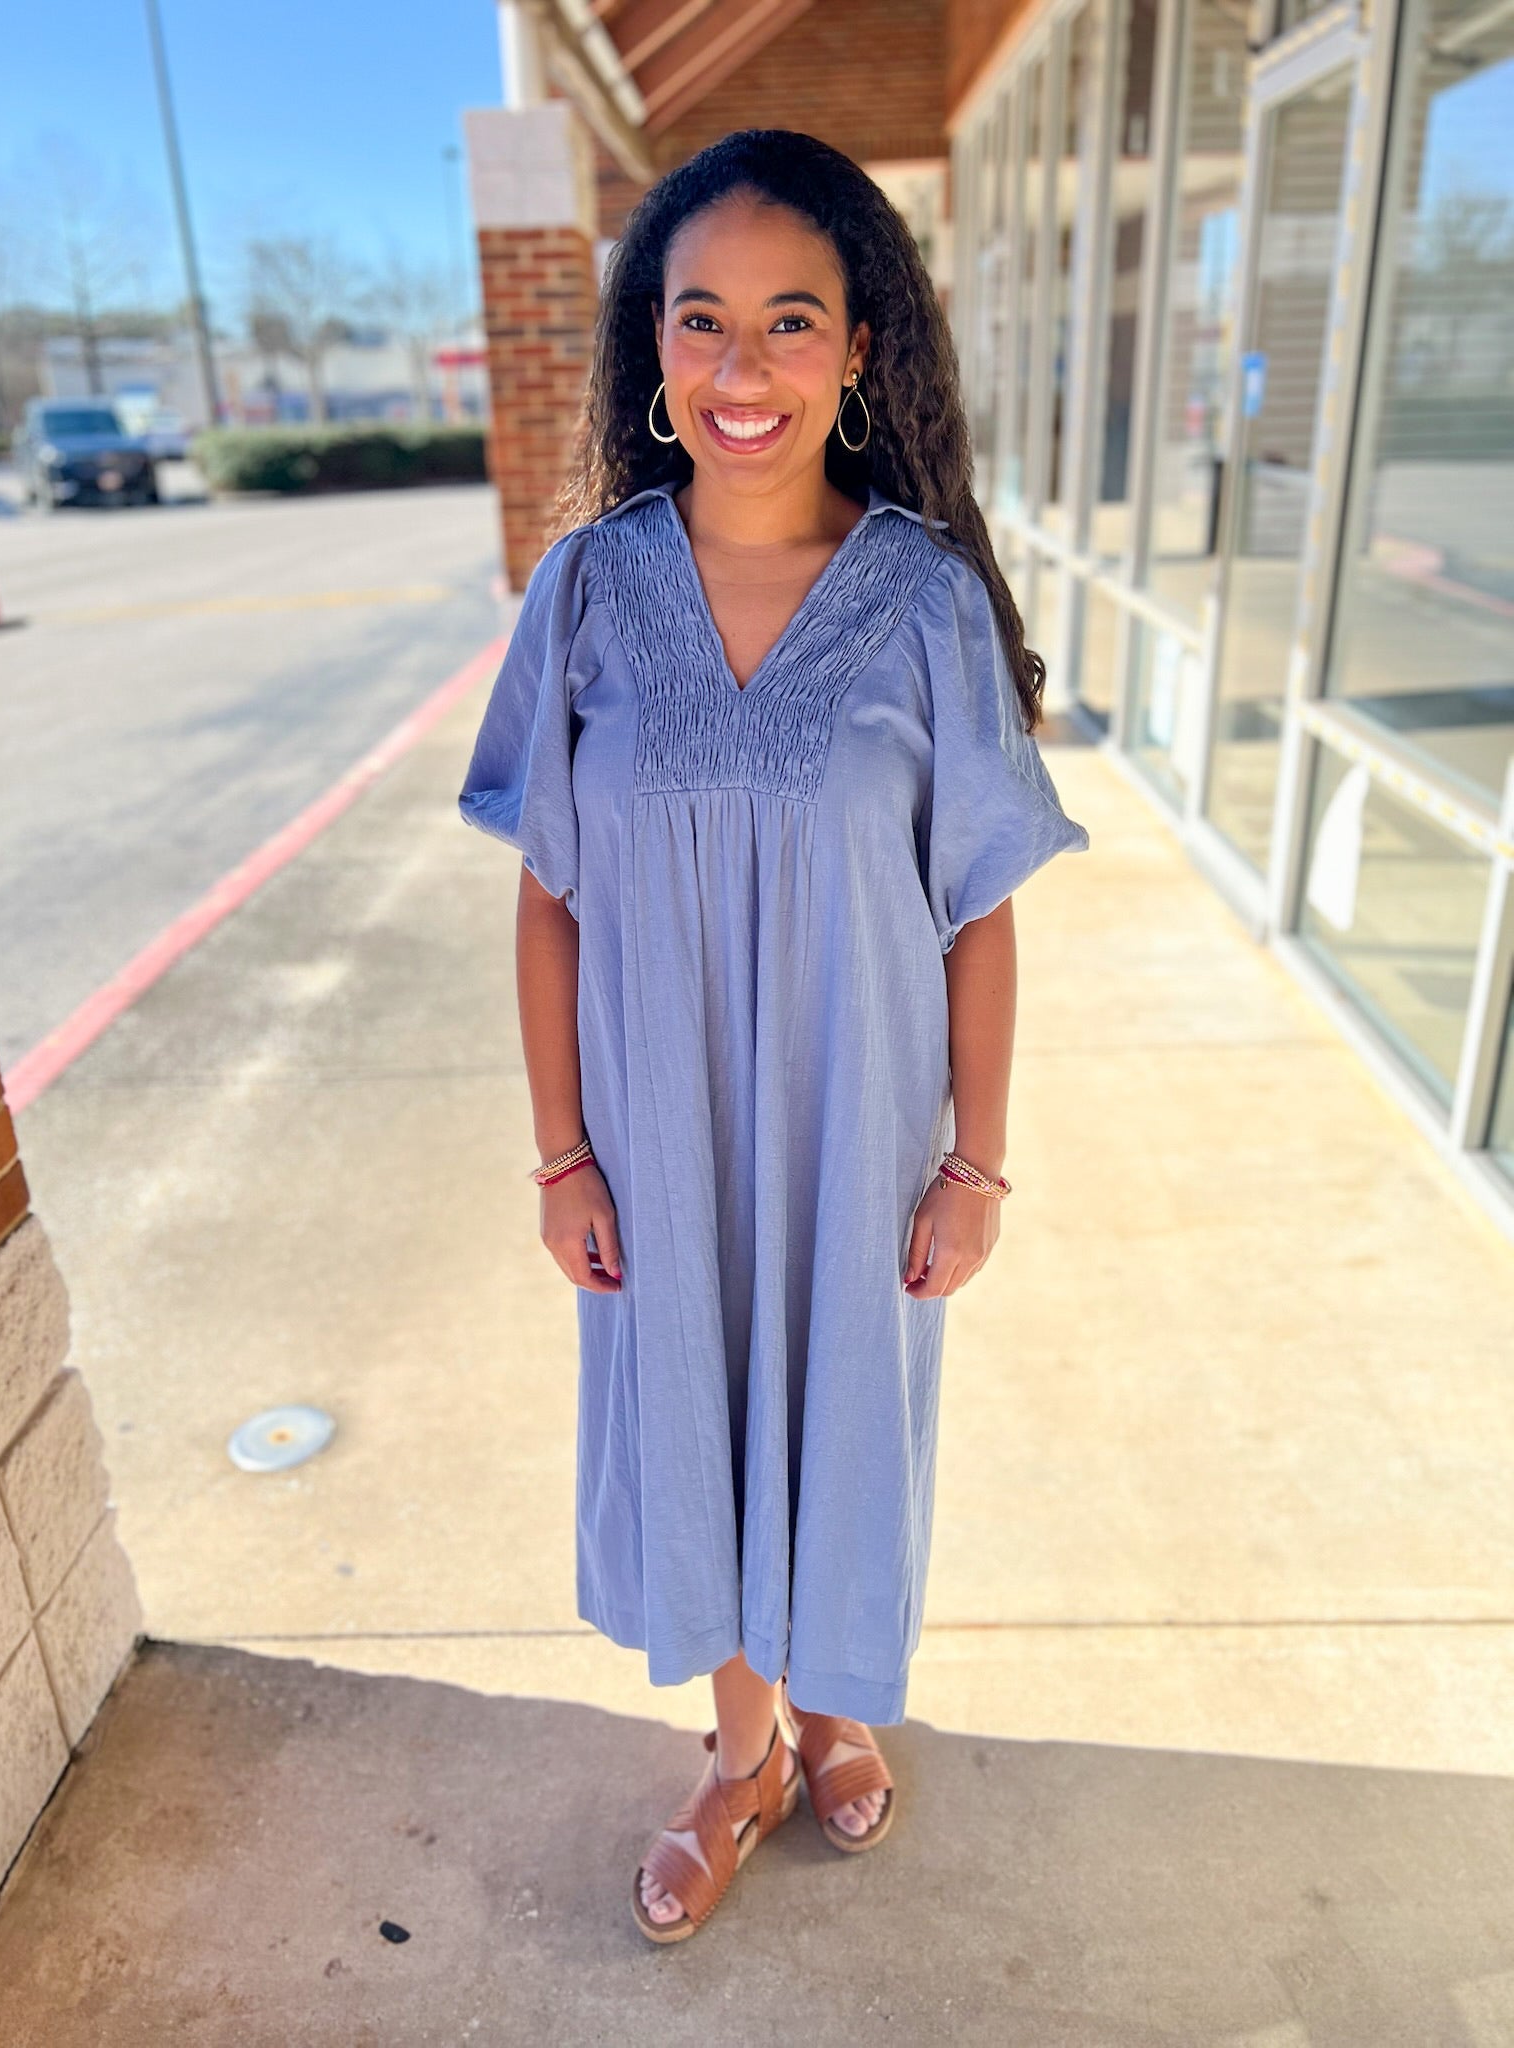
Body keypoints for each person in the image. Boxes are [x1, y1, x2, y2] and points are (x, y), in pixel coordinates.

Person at [458, 128, 1090, 1943]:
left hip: (856, 1130)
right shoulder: (583, 593)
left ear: (860, 349)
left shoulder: (923, 603)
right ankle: (743, 1755)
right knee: (695, 1418)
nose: (744, 372)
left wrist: (973, 1164)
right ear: (651, 348)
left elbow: (977, 907)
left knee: (838, 1419)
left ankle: (835, 1700)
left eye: (791, 321)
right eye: (703, 320)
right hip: (657, 1137)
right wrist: (564, 1148)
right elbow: (548, 895)